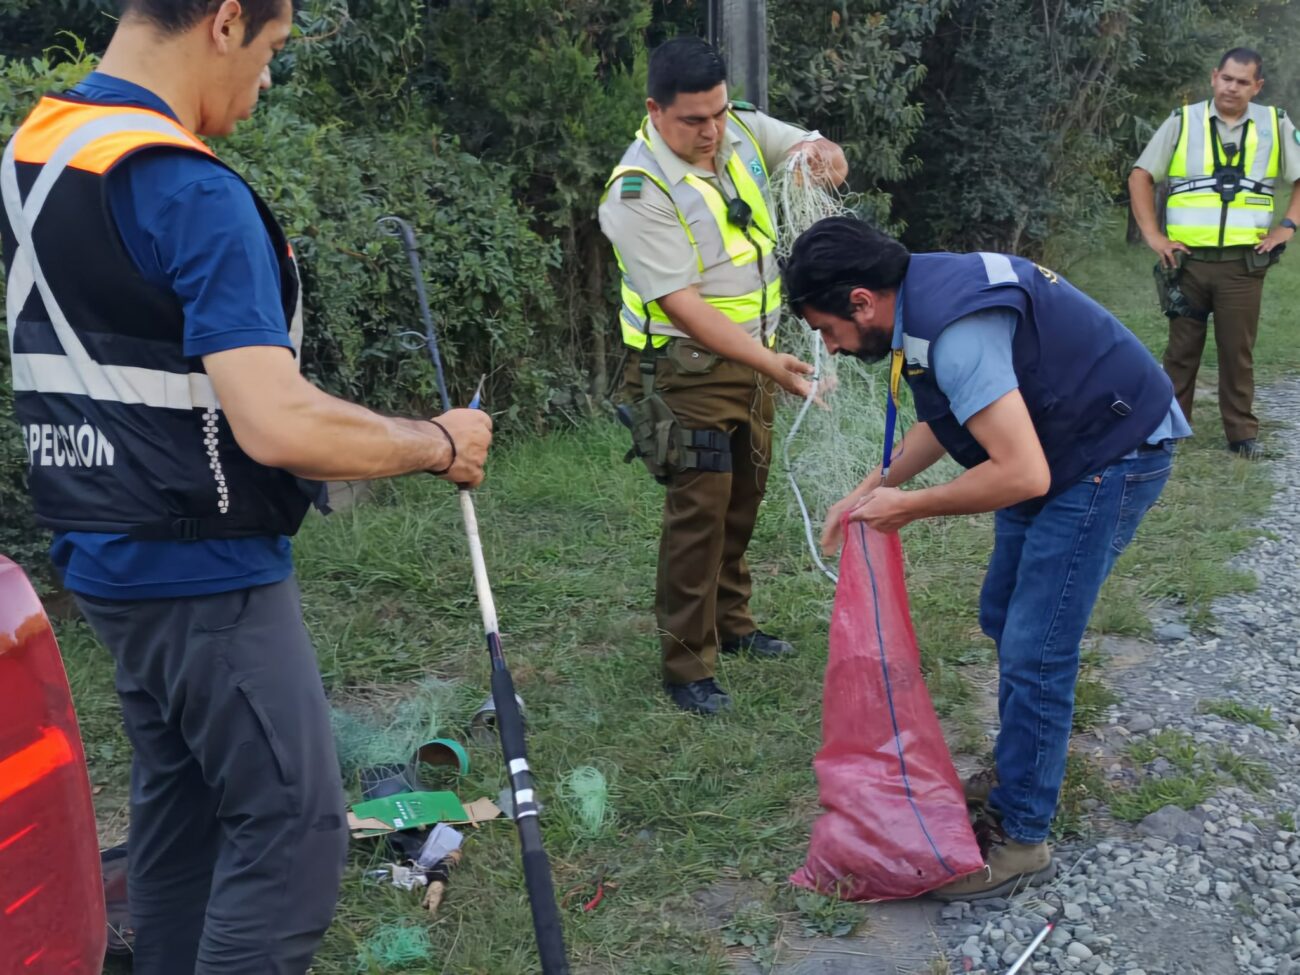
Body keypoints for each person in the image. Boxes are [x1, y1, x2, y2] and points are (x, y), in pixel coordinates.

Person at [0, 1, 492, 971]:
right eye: (270, 52)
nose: (265, 83)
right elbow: (277, 424)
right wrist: (437, 441)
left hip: (105, 560)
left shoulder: (39, 150)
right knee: (295, 833)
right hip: (205, 572)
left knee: (181, 818)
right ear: (225, 21)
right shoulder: (188, 189)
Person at [781, 217, 1189, 899]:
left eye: (828, 329)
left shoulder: (952, 329)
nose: (830, 345)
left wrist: (907, 506)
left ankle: (1024, 835)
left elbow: (1022, 474)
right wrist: (867, 492)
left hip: (1110, 451)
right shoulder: (917, 299)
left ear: (861, 299)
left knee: (1036, 646)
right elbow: (942, 421)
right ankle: (1017, 768)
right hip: (1057, 444)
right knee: (1004, 611)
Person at [597, 37, 847, 715]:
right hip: (688, 371)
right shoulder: (636, 191)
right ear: (655, 110)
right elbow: (686, 307)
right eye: (693, 121)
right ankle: (687, 664)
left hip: (755, 361)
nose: (711, 133)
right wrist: (774, 365)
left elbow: (824, 157)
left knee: (746, 496)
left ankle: (733, 624)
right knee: (699, 512)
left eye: (717, 115)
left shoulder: (735, 128)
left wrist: (819, 158)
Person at [1129, 46, 1300, 460]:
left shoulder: (1275, 123)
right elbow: (1140, 175)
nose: (1233, 88)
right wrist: (1154, 236)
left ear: (1256, 86)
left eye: (1243, 82)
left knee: (1236, 352)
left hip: (1243, 265)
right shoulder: (1183, 120)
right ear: (1213, 77)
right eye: (1227, 78)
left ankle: (1242, 435)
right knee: (1180, 352)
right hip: (1186, 262)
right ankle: (1166, 430)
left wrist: (1287, 227)